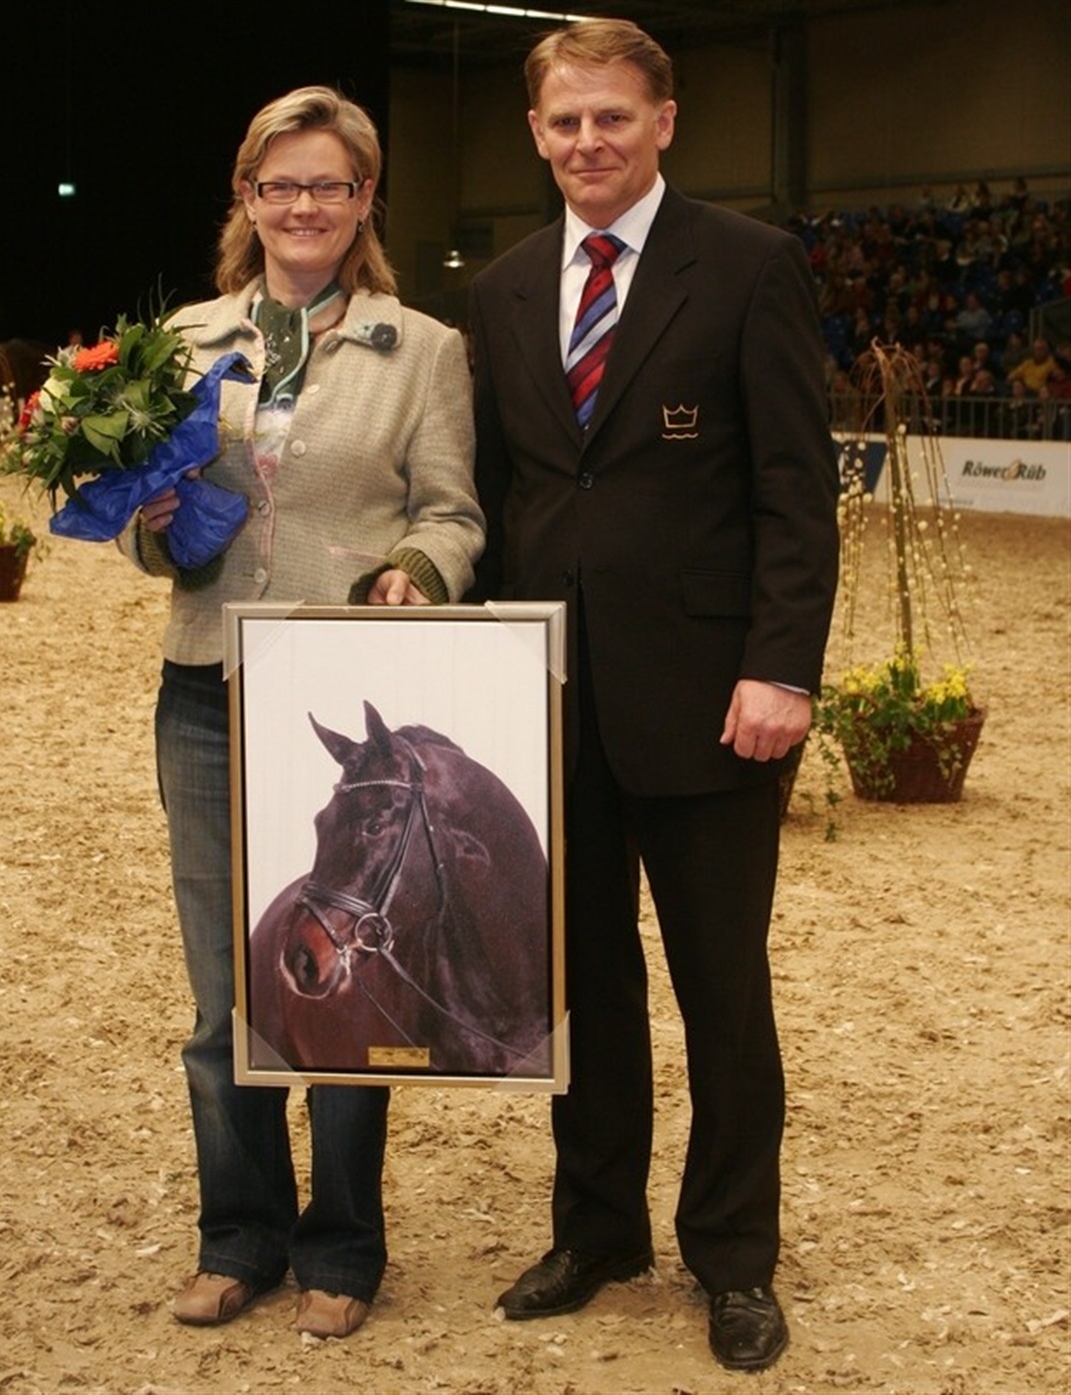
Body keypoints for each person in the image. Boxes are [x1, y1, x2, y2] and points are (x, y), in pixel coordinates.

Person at [467, 19, 839, 1374]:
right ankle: (598, 1228)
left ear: (665, 121)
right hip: (549, 704)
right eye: (565, 122)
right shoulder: (504, 291)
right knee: (582, 989)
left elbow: (795, 490)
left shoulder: (746, 267)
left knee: (722, 993)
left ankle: (733, 1255)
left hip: (712, 704)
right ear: (536, 132)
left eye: (613, 117)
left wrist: (781, 664)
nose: (589, 143)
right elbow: (503, 497)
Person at [119, 86, 484, 1338]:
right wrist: (149, 525)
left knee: (340, 986)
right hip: (205, 687)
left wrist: (419, 567)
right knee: (224, 991)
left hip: (337, 706)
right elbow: (150, 532)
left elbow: (453, 511)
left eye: (329, 183)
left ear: (365, 198)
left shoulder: (422, 349)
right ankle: (238, 1237)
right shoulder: (186, 339)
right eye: (281, 184)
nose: (304, 205)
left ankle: (343, 1246)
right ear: (249, 197)